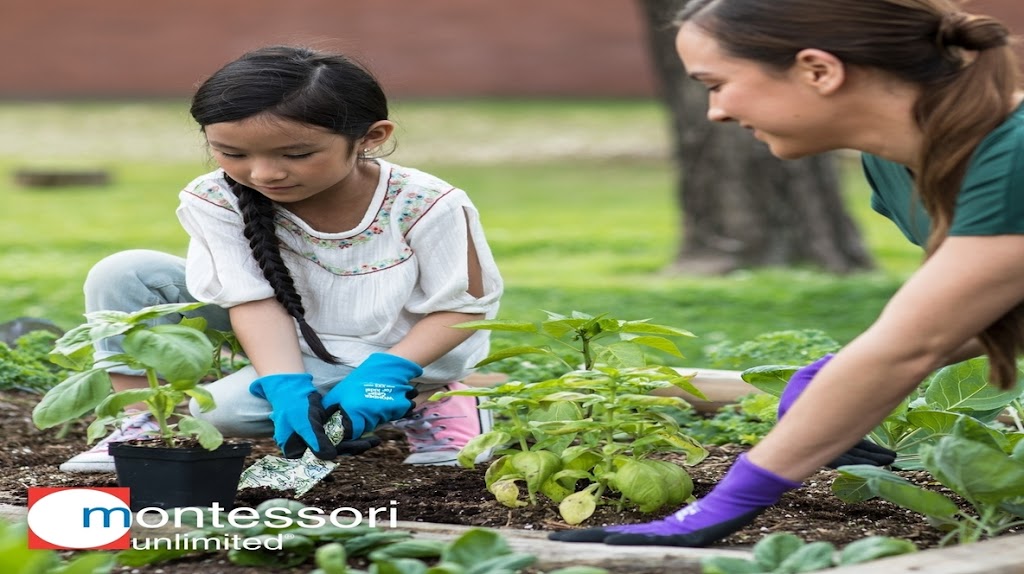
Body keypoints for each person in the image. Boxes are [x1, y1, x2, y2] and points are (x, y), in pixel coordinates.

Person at [551, 0, 1024, 547]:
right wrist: (833, 372)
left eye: (716, 83)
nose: (715, 112)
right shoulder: (898, 164)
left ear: (818, 70)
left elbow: (913, 345)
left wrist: (719, 508)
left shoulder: (1011, 156)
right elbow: (982, 305)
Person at [60, 45, 503, 473]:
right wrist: (285, 384)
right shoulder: (215, 197)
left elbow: (461, 308)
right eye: (233, 153)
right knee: (126, 272)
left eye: (297, 154)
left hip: (405, 349)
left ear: (371, 137)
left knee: (221, 413)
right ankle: (143, 422)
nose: (264, 174)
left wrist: (386, 372)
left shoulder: (424, 202)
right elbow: (251, 300)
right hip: (288, 338)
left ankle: (432, 396)